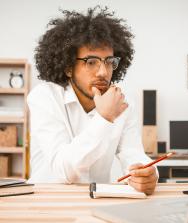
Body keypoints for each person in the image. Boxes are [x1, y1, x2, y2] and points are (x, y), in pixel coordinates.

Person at [27, 6, 158, 194]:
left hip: (97, 199)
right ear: (68, 67)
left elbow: (133, 153)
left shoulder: (123, 101)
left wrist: (146, 173)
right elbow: (64, 170)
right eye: (91, 62)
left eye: (109, 62)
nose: (103, 72)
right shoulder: (44, 97)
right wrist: (104, 118)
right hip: (47, 201)